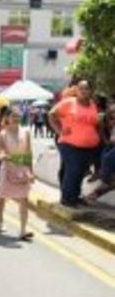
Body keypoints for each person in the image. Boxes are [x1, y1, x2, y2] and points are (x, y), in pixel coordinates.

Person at [48, 79, 101, 207]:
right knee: (73, 170)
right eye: (80, 88)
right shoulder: (68, 102)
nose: (83, 91)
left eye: (86, 88)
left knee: (81, 172)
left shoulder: (92, 104)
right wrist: (59, 130)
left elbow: (94, 123)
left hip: (88, 147)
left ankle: (75, 196)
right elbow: (51, 114)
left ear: (90, 91)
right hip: (69, 144)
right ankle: (67, 200)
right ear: (76, 90)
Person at [0, 106, 35, 239]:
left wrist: (31, 172)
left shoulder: (26, 132)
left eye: (18, 116)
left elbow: (29, 154)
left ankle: (23, 230)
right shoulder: (2, 134)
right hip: (7, 170)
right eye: (13, 116)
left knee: (24, 199)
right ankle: (0, 221)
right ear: (7, 118)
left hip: (22, 170)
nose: (16, 119)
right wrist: (2, 156)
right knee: (2, 197)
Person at [85, 103, 115, 201]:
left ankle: (98, 190)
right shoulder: (104, 119)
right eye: (112, 113)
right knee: (104, 156)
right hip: (110, 146)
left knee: (107, 158)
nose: (113, 115)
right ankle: (98, 190)